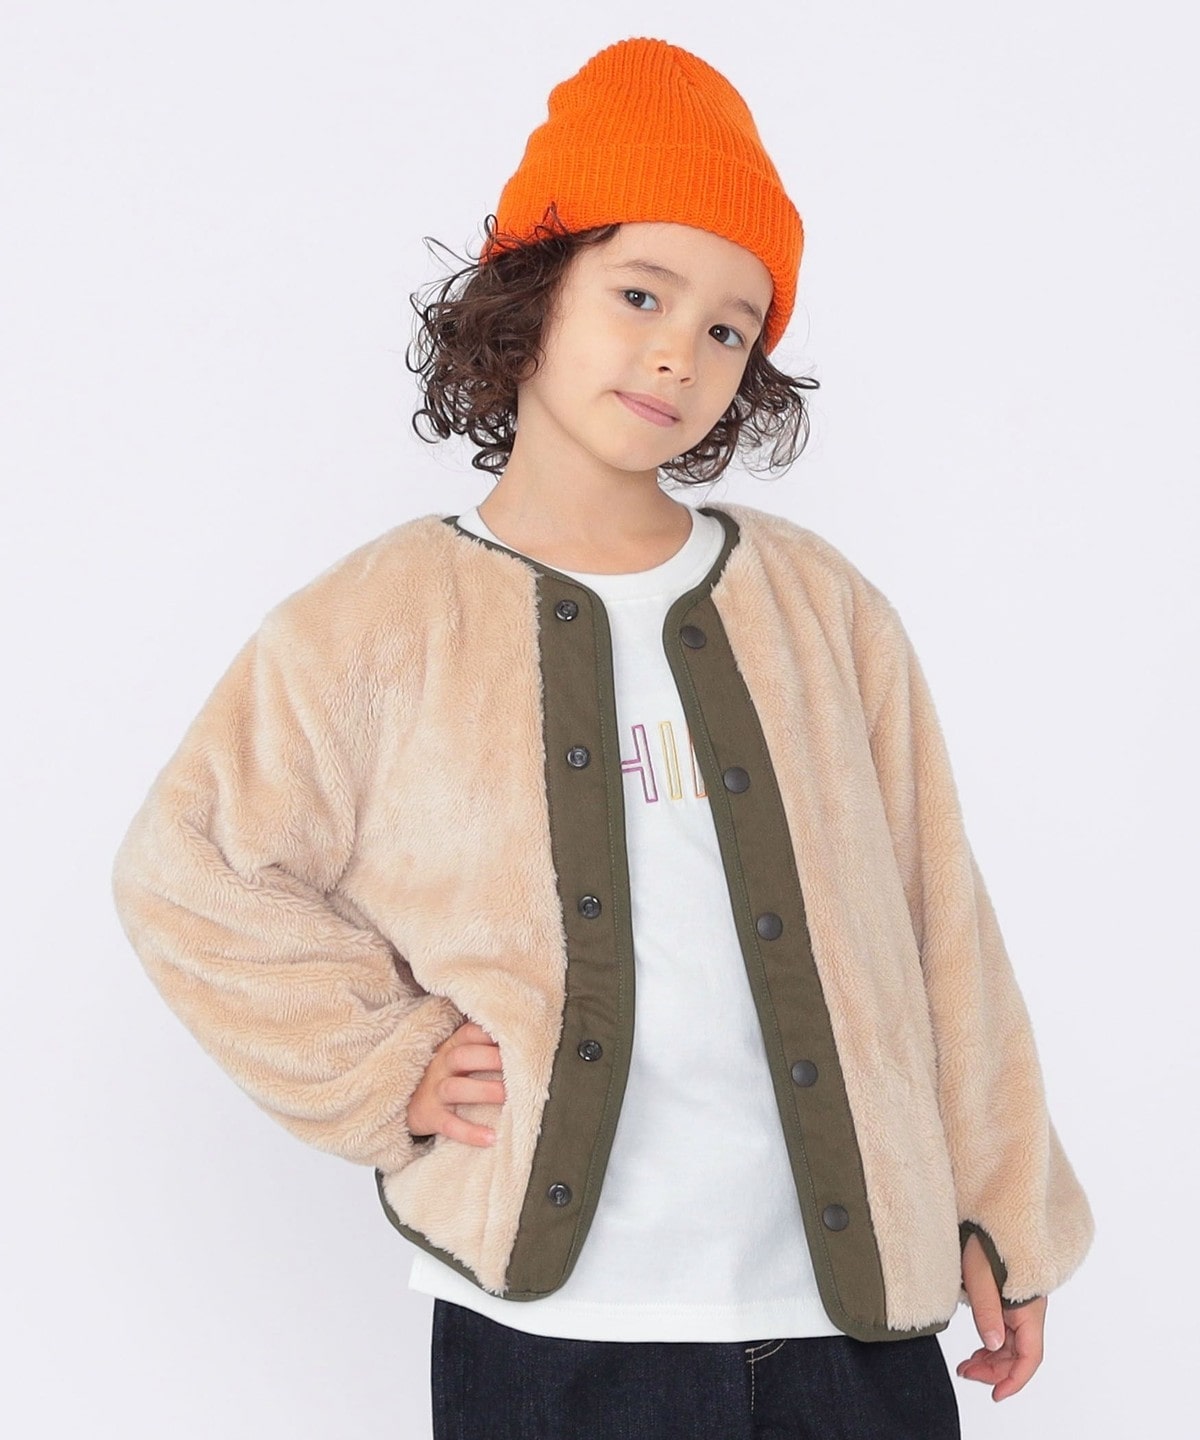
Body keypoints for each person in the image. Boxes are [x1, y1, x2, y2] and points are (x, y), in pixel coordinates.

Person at [111, 35, 1094, 1440]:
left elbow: (943, 918)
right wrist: (382, 1062)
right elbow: (189, 870)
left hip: (847, 1329)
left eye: (729, 328)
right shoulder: (374, 622)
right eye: (641, 292)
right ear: (532, 291)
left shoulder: (819, 607)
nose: (679, 352)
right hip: (552, 1341)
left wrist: (1005, 1207)